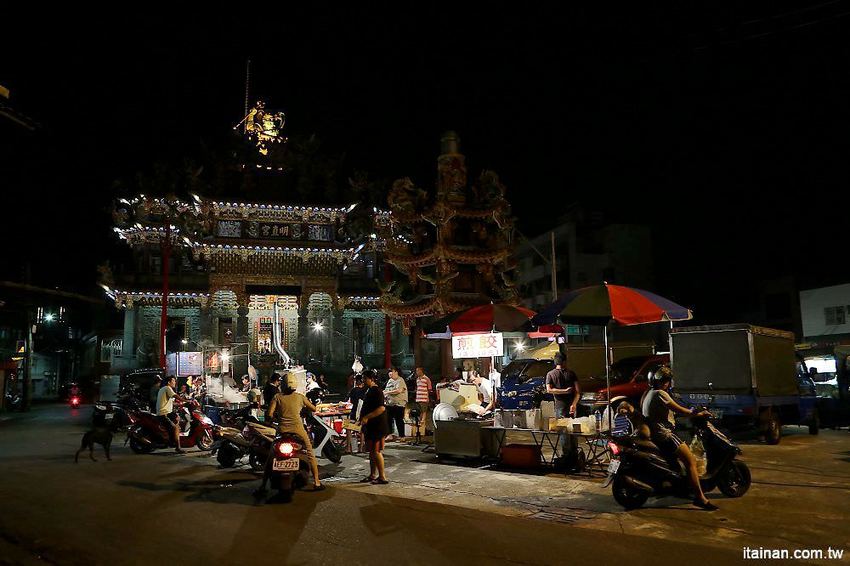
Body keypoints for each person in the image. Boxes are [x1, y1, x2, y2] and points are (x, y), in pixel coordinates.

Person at [641, 367, 716, 510]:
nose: (666, 383)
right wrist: (696, 414)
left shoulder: (648, 394)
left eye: (667, 380)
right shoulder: (660, 394)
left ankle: (680, 487)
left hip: (656, 433)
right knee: (691, 461)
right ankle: (700, 498)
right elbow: (679, 409)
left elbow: (671, 409)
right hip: (665, 434)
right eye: (664, 380)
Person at [263, 374, 324, 492]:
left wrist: (275, 418)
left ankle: (263, 485)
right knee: (310, 453)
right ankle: (317, 482)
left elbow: (269, 414)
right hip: (298, 431)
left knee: (271, 456)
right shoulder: (300, 397)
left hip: (282, 431)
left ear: (283, 385)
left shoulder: (277, 397)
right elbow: (314, 408)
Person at [545, 353, 580, 466]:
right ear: (564, 361)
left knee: (564, 432)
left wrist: (562, 392)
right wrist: (574, 404)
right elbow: (578, 392)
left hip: (559, 407)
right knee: (574, 430)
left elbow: (549, 390)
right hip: (572, 407)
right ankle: (574, 455)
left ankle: (566, 456)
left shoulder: (550, 374)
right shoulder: (571, 373)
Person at [358, 369, 389, 484]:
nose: (363, 381)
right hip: (371, 427)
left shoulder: (377, 391)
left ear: (371, 379)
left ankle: (382, 476)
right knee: (371, 452)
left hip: (377, 426)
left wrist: (367, 417)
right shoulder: (369, 390)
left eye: (365, 378)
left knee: (376, 452)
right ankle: (372, 475)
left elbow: (381, 408)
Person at [156, 376, 184, 453]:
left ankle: (172, 440)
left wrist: (182, 404)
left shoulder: (163, 389)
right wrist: (185, 400)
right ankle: (178, 447)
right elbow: (175, 396)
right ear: (169, 382)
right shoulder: (167, 388)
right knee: (176, 428)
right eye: (173, 381)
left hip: (167, 412)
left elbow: (170, 402)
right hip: (164, 413)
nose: (175, 382)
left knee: (177, 419)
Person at [383, 367, 408, 440]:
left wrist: (387, 392)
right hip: (389, 403)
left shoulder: (400, 380)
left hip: (399, 404)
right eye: (389, 372)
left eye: (391, 371)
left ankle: (402, 436)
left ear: (396, 372)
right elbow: (386, 390)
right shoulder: (390, 381)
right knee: (388, 420)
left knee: (399, 420)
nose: (390, 373)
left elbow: (398, 391)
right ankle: (389, 434)